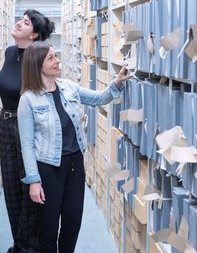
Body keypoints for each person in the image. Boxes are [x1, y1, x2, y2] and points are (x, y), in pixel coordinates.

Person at [17, 41, 130, 253]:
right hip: (49, 169)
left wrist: (117, 83)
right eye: (51, 58)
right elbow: (27, 144)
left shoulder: (69, 87)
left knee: (72, 224)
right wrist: (34, 181)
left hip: (75, 165)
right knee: (48, 228)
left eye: (55, 55)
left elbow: (98, 99)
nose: (57, 60)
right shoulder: (28, 100)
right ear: (36, 65)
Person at [0, 10, 55, 253]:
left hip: (27, 128)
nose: (19, 22)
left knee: (28, 189)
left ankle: (29, 248)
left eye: (26, 22)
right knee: (11, 190)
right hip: (6, 125)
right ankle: (19, 245)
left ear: (34, 36)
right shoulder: (10, 52)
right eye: (21, 18)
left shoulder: (38, 59)